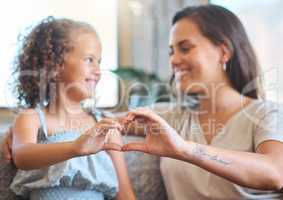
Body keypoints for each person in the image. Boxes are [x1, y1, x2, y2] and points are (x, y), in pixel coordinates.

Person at [121, 5, 283, 200]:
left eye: (185, 48)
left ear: (224, 52)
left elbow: (275, 173)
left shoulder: (267, 114)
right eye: (171, 52)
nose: (174, 60)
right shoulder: (171, 117)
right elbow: (100, 122)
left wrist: (185, 149)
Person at [3, 17, 135, 200]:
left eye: (99, 61)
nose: (98, 70)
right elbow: (22, 157)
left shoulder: (106, 126)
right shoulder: (31, 118)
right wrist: (75, 147)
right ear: (54, 63)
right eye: (89, 59)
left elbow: (125, 194)